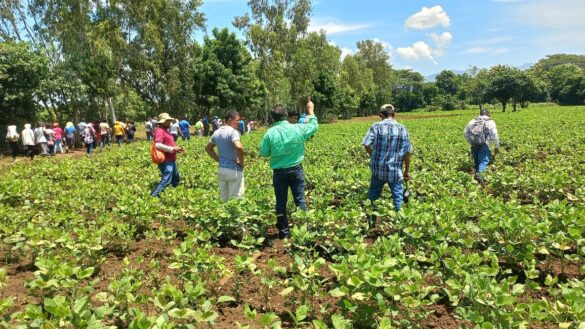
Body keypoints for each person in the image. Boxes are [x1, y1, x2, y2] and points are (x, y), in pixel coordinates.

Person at [259, 99, 318, 239]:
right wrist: (310, 111)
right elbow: (314, 126)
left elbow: (264, 153)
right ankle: (304, 229)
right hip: (296, 170)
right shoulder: (297, 128)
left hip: (279, 172)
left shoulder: (270, 133)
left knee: (281, 201)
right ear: (286, 115)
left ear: (273, 118)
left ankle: (284, 232)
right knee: (300, 199)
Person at [362, 104, 412, 225]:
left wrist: (372, 155)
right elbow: (408, 152)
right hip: (395, 171)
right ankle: (400, 225)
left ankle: (370, 223)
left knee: (373, 196)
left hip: (378, 170)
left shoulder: (376, 127)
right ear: (394, 114)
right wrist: (406, 171)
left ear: (381, 115)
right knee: (398, 198)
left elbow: (366, 144)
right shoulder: (402, 128)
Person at [205, 110, 245, 201]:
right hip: (234, 170)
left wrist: (219, 160)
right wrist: (241, 162)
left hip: (222, 170)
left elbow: (208, 148)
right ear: (230, 120)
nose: (238, 123)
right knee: (236, 200)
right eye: (237, 120)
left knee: (224, 200)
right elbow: (238, 147)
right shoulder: (233, 132)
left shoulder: (217, 132)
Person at [151, 113, 184, 197]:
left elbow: (167, 143)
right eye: (168, 121)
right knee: (167, 180)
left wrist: (176, 148)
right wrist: (172, 149)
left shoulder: (166, 130)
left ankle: (175, 195)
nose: (170, 122)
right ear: (163, 122)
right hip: (166, 160)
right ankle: (154, 196)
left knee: (175, 179)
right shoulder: (159, 130)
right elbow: (157, 145)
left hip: (171, 159)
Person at [464, 108, 500, 183]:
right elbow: (494, 135)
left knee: (477, 163)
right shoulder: (490, 122)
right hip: (484, 144)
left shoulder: (473, 121)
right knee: (484, 162)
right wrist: (496, 146)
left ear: (480, 114)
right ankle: (479, 177)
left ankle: (477, 182)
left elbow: (465, 132)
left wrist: (471, 141)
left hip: (473, 145)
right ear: (489, 114)